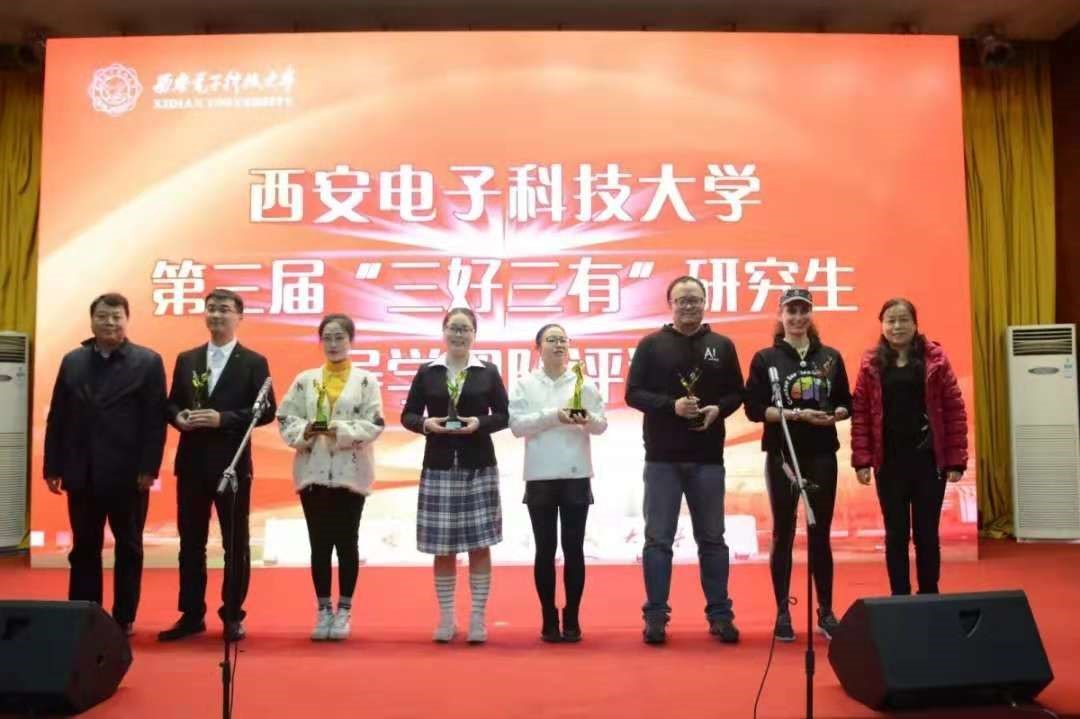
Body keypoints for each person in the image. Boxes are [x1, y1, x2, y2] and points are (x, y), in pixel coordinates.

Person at [625, 276, 745, 645]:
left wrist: (718, 409)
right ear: (671, 304)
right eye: (682, 300)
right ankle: (655, 616)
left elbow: (737, 393)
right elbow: (633, 393)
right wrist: (671, 406)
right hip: (662, 458)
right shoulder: (651, 345)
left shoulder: (721, 346)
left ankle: (720, 615)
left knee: (712, 540)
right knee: (658, 540)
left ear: (705, 302)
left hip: (708, 458)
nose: (689, 305)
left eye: (695, 299)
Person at [43, 292, 167, 636]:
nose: (109, 323)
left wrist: (149, 468)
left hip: (128, 474)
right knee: (84, 547)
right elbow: (58, 417)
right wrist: (52, 466)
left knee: (129, 547)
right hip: (81, 470)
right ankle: (84, 613)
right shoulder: (73, 361)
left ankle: (123, 618)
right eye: (102, 316)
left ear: (127, 320)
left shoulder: (147, 361)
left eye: (116, 317)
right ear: (92, 320)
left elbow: (155, 421)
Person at [158, 288, 276, 643]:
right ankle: (191, 613)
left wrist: (222, 418)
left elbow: (265, 411)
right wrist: (179, 417)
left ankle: (232, 614)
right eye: (211, 309)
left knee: (235, 543)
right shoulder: (187, 359)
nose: (217, 315)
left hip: (232, 465)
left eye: (224, 309)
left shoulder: (253, 362)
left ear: (239, 316)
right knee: (190, 542)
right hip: (191, 464)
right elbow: (171, 404)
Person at [744, 288, 851, 641]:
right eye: (791, 311)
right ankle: (782, 612)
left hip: (822, 453)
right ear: (781, 315)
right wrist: (793, 415)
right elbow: (754, 409)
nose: (798, 317)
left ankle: (826, 611)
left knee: (820, 531)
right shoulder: (766, 359)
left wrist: (835, 415)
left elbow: (845, 403)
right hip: (782, 454)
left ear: (811, 314)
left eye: (803, 310)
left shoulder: (830, 357)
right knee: (783, 531)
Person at [401, 307, 509, 644]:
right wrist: (426, 424)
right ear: (444, 331)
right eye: (453, 328)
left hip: (478, 464)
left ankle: (478, 617)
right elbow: (408, 415)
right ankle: (447, 617)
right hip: (439, 464)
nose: (459, 335)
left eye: (465, 329)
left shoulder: (487, 372)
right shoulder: (428, 371)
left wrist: (480, 423)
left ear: (474, 334)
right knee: (443, 547)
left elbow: (505, 415)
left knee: (479, 544)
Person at [276, 313, 385, 641]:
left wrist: (338, 429)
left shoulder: (366, 381)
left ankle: (345, 610)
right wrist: (307, 430)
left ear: (351, 340)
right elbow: (286, 418)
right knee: (319, 544)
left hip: (351, 474)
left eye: (340, 337)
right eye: (328, 338)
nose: (334, 344)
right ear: (320, 341)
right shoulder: (305, 380)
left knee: (347, 543)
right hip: (313, 473)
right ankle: (323, 610)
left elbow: (374, 423)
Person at [851, 297, 968, 596]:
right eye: (890, 320)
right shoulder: (871, 363)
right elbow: (861, 413)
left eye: (903, 319)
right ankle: (899, 596)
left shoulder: (935, 360)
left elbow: (953, 409)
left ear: (915, 324)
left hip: (928, 460)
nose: (897, 326)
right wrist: (862, 460)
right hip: (889, 462)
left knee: (927, 533)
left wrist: (956, 460)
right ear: (882, 325)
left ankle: (929, 593)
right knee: (896, 534)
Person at [509, 323, 607, 642]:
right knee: (545, 550)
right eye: (552, 340)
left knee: (574, 549)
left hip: (576, 475)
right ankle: (548, 616)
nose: (559, 345)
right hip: (540, 475)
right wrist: (555, 416)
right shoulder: (525, 384)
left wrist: (585, 420)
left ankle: (573, 617)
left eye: (563, 340)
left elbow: (601, 425)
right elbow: (517, 426)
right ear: (538, 347)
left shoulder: (583, 382)